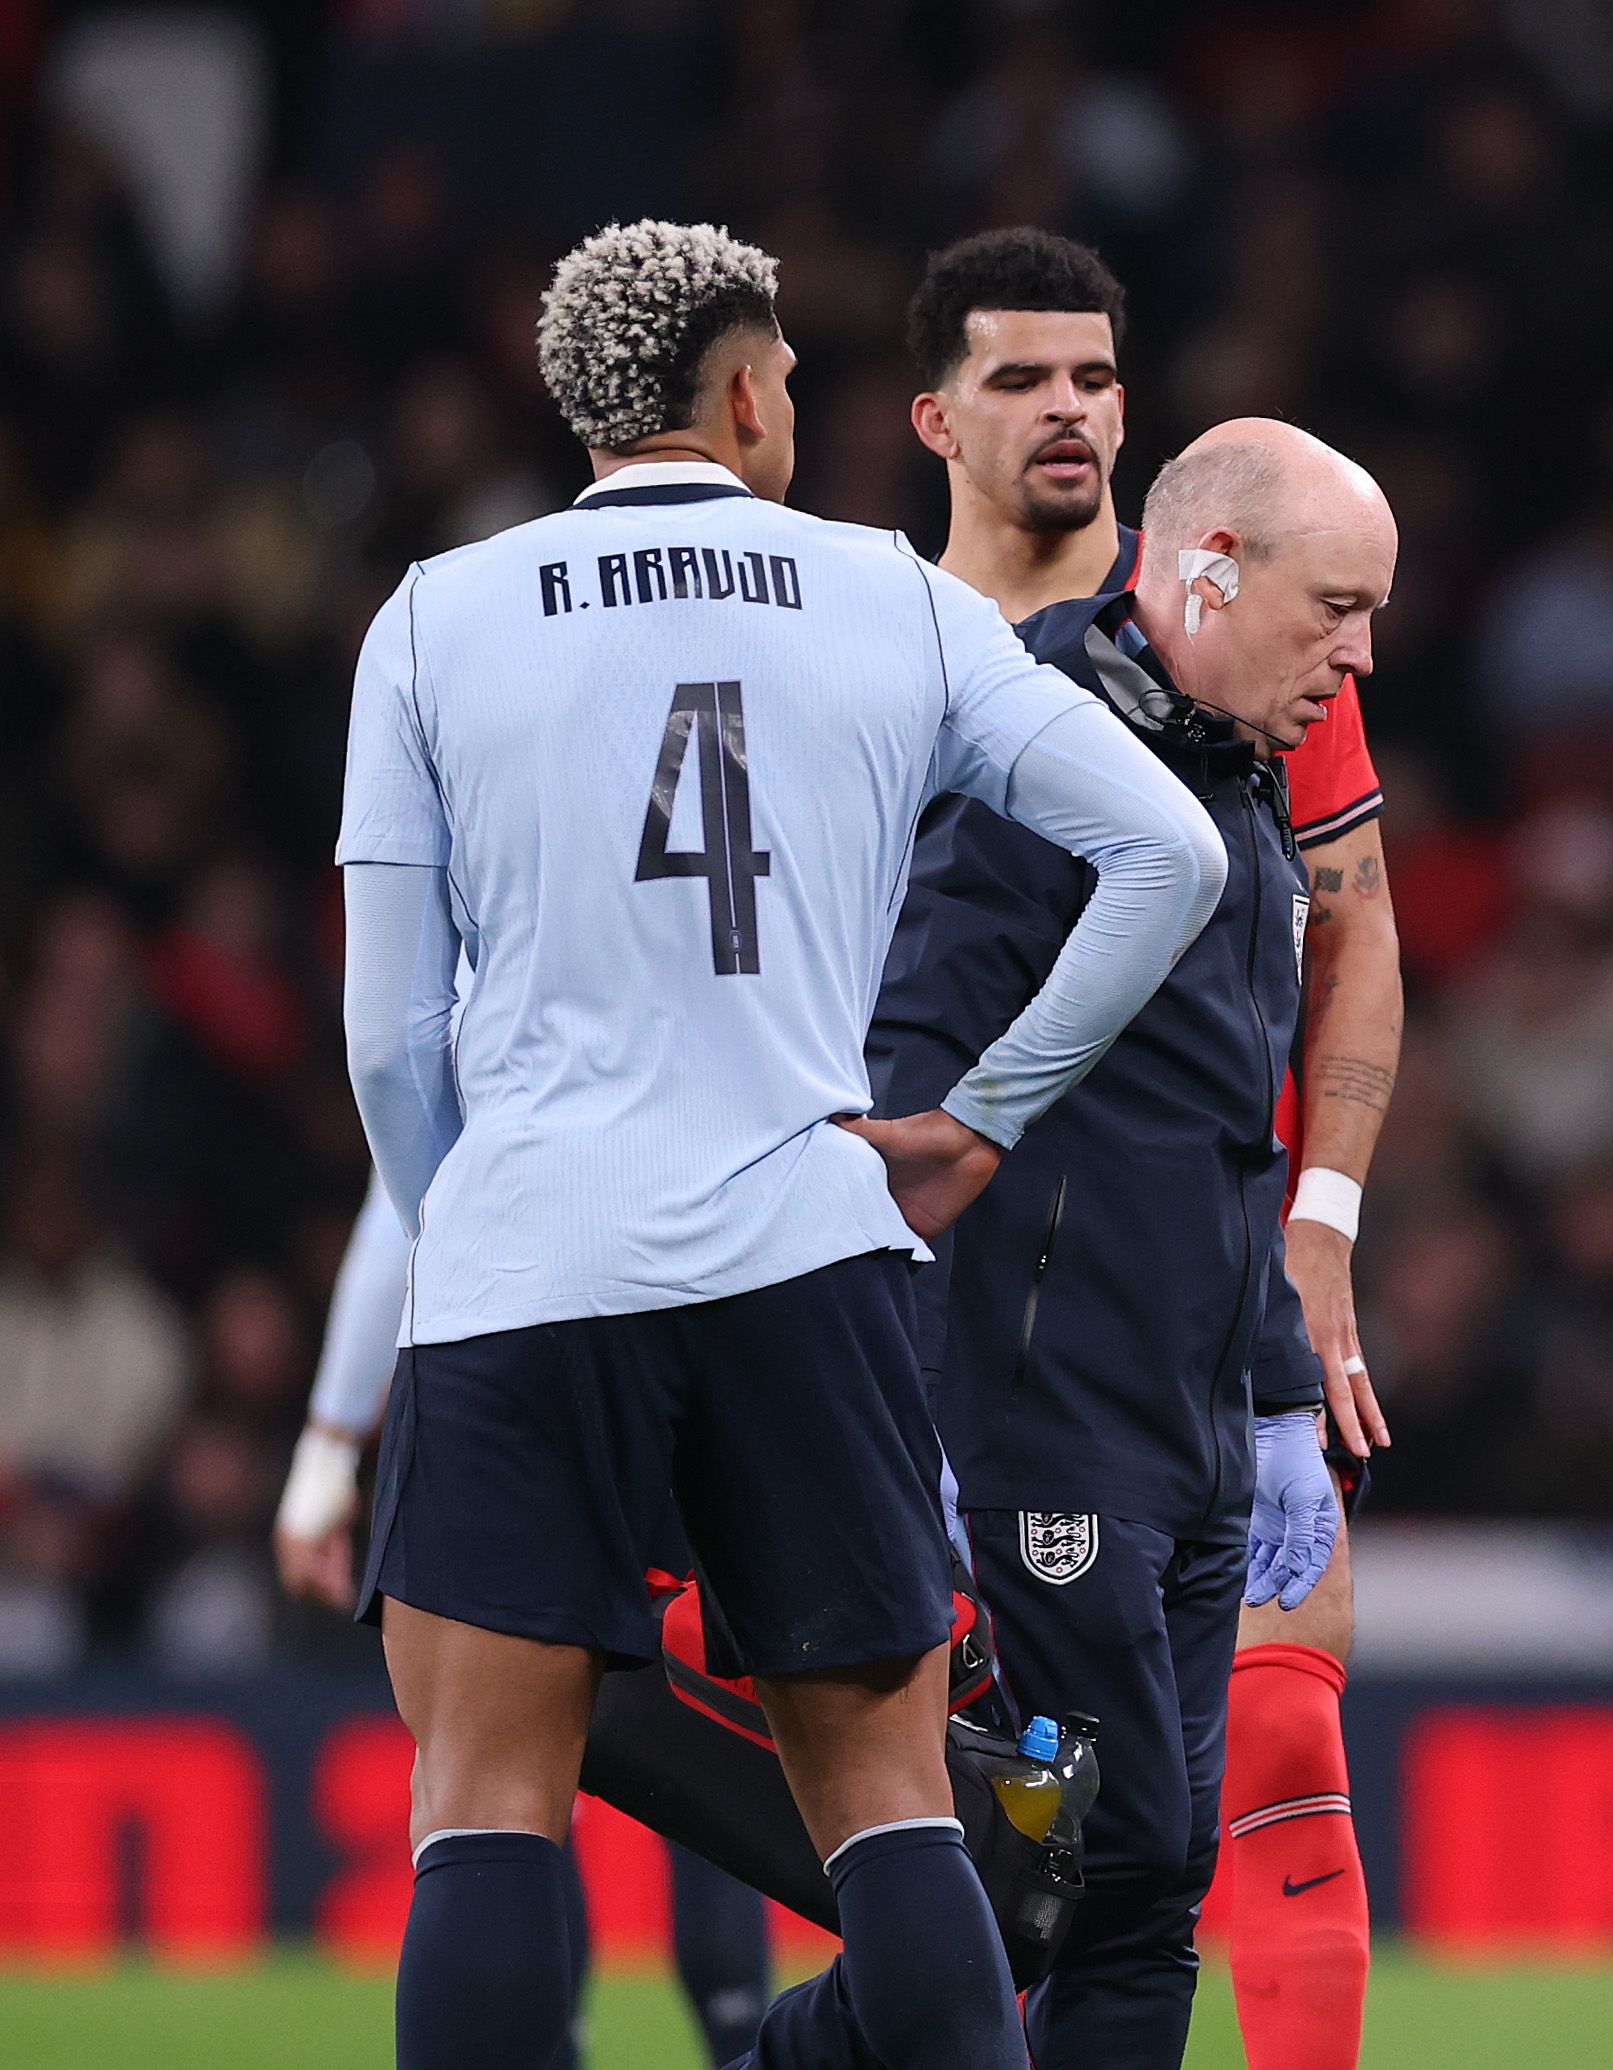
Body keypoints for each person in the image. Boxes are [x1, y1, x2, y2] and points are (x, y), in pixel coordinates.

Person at [336, 219, 1226, 2070]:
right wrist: (983, 1116)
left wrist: (467, 1227)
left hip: (525, 1270)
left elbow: (387, 1035)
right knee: (894, 1803)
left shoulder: (431, 615)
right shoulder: (889, 594)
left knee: (488, 1798)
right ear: (742, 388)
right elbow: (1176, 857)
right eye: (794, 384)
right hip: (804, 1255)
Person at [902, 227, 1402, 2066]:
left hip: (1203, 1350)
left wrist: (1312, 1260)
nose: (1068, 412)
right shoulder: (917, 669)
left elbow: (1348, 957)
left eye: (1097, 377)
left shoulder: (1258, 695)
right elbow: (892, 1050)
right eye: (1024, 377)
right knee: (975, 1857)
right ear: (933, 413)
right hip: (1016, 1366)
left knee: (1149, 1852)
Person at [277, 1185, 776, 2065]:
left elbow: (399, 1189)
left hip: (507, 1358)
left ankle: (558, 2049)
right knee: (723, 1730)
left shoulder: (498, 1056)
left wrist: (328, 1445)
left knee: (492, 1783)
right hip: (712, 1338)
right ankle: (746, 2036)